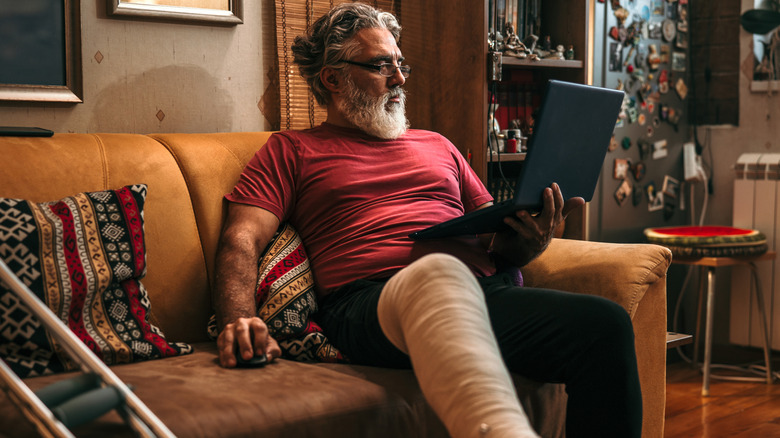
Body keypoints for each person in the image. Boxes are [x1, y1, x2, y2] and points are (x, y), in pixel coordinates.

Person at [213, 3, 642, 437]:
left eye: (401, 65)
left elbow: (496, 239)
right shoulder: (291, 150)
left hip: (480, 292)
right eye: (381, 65)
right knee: (436, 274)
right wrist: (238, 321)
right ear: (332, 78)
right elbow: (241, 238)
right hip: (368, 305)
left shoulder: (437, 144)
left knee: (604, 324)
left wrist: (533, 239)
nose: (399, 79)